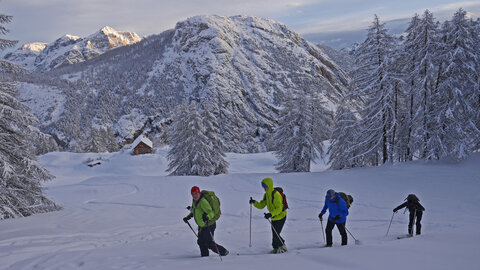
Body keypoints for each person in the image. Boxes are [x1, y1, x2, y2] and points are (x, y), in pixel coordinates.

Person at [183, 186, 228, 257]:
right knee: (201, 242)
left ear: (199, 193)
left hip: (209, 225)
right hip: (202, 226)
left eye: (196, 193)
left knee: (209, 243)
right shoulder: (194, 201)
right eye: (193, 194)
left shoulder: (203, 201)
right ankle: (204, 257)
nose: (194, 195)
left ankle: (224, 252)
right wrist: (188, 217)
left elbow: (211, 213)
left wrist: (207, 217)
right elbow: (194, 211)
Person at [249, 177, 287, 254]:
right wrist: (254, 202)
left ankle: (283, 247)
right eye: (263, 186)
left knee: (276, 234)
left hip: (281, 217)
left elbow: (279, 208)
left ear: (269, 185)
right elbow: (261, 205)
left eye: (265, 186)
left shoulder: (276, 195)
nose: (264, 188)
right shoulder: (266, 195)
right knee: (274, 234)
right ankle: (276, 248)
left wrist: (270, 214)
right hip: (274, 217)